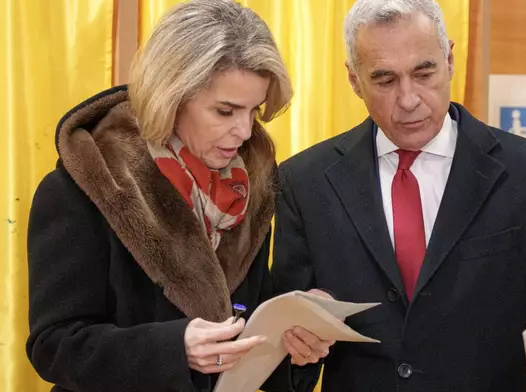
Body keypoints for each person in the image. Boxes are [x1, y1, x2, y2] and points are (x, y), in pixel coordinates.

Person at [271, 0, 526, 391]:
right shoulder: (304, 182)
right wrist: (297, 346)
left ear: (450, 60)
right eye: (385, 80)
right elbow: (284, 350)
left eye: (424, 73)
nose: (408, 99)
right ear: (354, 80)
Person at [25, 1, 334, 391]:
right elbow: (54, 346)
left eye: (254, 111)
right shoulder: (83, 187)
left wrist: (293, 337)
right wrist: (174, 348)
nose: (243, 131)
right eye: (225, 111)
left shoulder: (251, 187)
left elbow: (246, 325)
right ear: (171, 96)